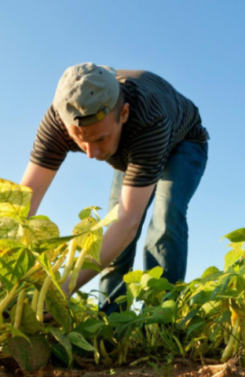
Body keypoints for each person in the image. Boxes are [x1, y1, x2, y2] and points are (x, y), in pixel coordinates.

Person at [20, 63, 209, 313]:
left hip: (182, 142)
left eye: (100, 139)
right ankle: (110, 319)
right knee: (112, 231)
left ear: (124, 113)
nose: (92, 154)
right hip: (128, 148)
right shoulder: (58, 120)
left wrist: (59, 290)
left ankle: (161, 317)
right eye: (80, 140)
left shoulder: (150, 119)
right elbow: (24, 201)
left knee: (166, 215)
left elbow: (128, 223)